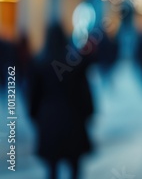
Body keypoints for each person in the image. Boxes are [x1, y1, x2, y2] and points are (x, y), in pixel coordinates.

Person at [28, 23, 94, 179]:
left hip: (49, 119)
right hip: (73, 118)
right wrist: (88, 113)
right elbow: (84, 92)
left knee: (52, 167)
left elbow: (33, 95)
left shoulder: (40, 62)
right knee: (74, 166)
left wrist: (35, 115)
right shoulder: (74, 63)